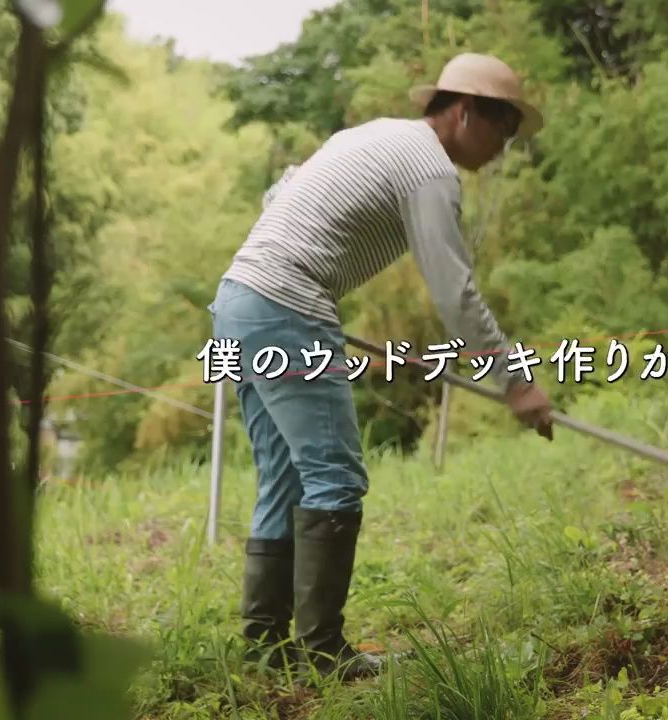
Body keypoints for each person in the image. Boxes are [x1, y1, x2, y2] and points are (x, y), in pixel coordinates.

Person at [205, 52, 554, 682]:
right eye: (502, 129)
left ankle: (264, 650)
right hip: (285, 304)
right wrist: (517, 379)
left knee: (286, 479)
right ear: (466, 111)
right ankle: (322, 653)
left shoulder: (371, 135)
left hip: (240, 299)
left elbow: (281, 191)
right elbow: (454, 292)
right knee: (335, 477)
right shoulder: (430, 170)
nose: (504, 147)